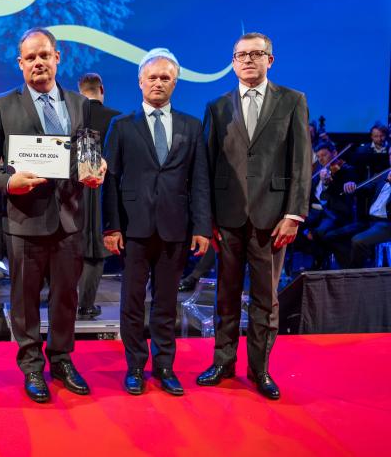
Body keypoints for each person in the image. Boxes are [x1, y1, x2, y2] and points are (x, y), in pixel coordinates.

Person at [0, 27, 104, 403]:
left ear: (57, 57)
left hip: (68, 218)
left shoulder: (80, 104)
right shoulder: (3, 104)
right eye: (30, 58)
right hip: (24, 219)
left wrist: (96, 166)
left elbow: (88, 151)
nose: (38, 63)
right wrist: (7, 181)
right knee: (25, 299)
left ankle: (61, 359)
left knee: (65, 297)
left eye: (44, 55)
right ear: (20, 63)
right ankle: (31, 365)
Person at [198, 32, 311, 400]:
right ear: (233, 62)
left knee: (265, 298)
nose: (248, 60)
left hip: (273, 219)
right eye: (241, 55)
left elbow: (300, 161)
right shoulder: (216, 106)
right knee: (226, 295)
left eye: (256, 54)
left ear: (270, 60)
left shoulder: (292, 100)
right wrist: (206, 218)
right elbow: (207, 166)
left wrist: (294, 214)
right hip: (227, 218)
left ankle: (259, 369)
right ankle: (223, 362)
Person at [102, 48, 211, 396]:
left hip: (175, 229)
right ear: (140, 81)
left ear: (175, 82)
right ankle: (135, 366)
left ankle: (165, 367)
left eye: (165, 77)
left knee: (166, 303)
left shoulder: (192, 126)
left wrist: (202, 227)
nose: (158, 82)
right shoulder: (121, 126)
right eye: (153, 77)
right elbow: (110, 180)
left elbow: (200, 180)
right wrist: (111, 227)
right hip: (133, 230)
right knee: (132, 302)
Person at [76, 72, 120, 319]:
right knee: (94, 250)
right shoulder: (117, 118)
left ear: (79, 90)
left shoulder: (71, 114)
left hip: (70, 192)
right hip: (102, 192)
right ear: (101, 89)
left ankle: (65, 303)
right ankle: (85, 305)